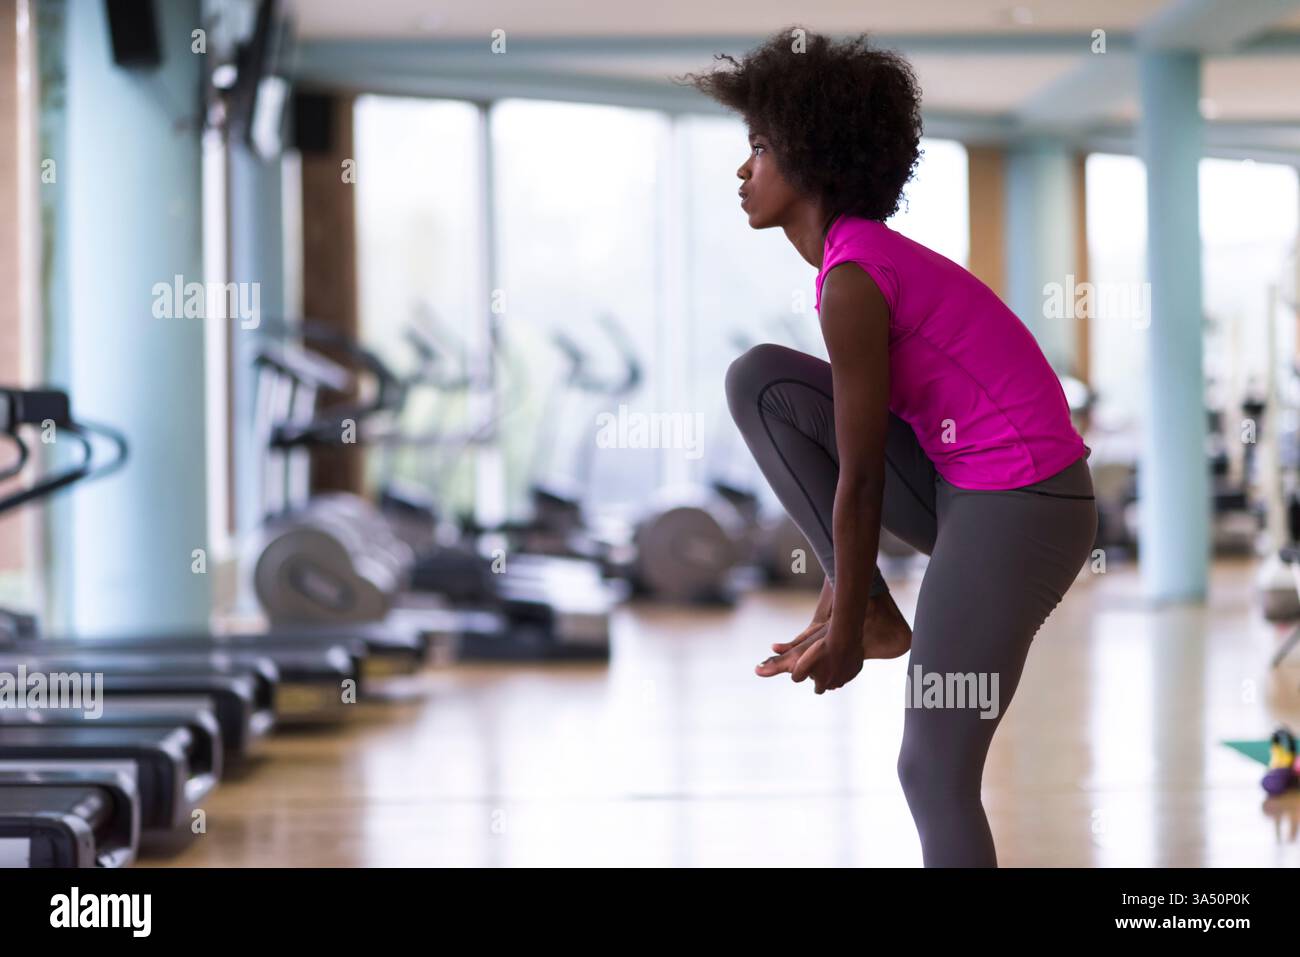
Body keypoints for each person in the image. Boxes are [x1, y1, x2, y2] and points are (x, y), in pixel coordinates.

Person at [679, 28, 1099, 867]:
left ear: (809, 155)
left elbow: (862, 473)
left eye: (758, 147)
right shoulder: (852, 264)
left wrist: (840, 625)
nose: (742, 170)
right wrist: (848, 592)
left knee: (932, 769)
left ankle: (862, 604)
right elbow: (849, 449)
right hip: (968, 489)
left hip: (1024, 507)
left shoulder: (855, 281)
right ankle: (864, 598)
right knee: (759, 379)